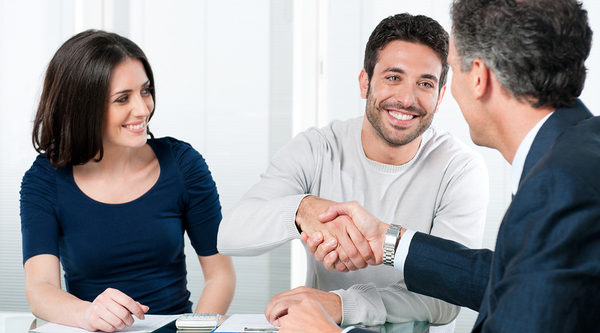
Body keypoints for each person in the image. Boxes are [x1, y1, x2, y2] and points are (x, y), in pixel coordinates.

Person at [287, 0, 600, 332]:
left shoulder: (558, 186)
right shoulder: (578, 150)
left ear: (478, 76)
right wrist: (389, 240)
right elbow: (516, 278)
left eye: (451, 64)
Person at [217, 13, 489, 327]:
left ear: (440, 97)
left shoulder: (460, 168)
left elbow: (446, 300)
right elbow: (229, 234)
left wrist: (344, 304)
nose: (406, 98)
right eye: (393, 77)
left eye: (425, 83)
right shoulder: (317, 148)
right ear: (365, 82)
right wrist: (303, 210)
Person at [20, 30, 236, 332]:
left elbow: (220, 275)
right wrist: (88, 313)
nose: (142, 109)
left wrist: (193, 330)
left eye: (145, 91)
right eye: (123, 98)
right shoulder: (44, 180)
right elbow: (40, 289)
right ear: (83, 107)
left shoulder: (183, 164)